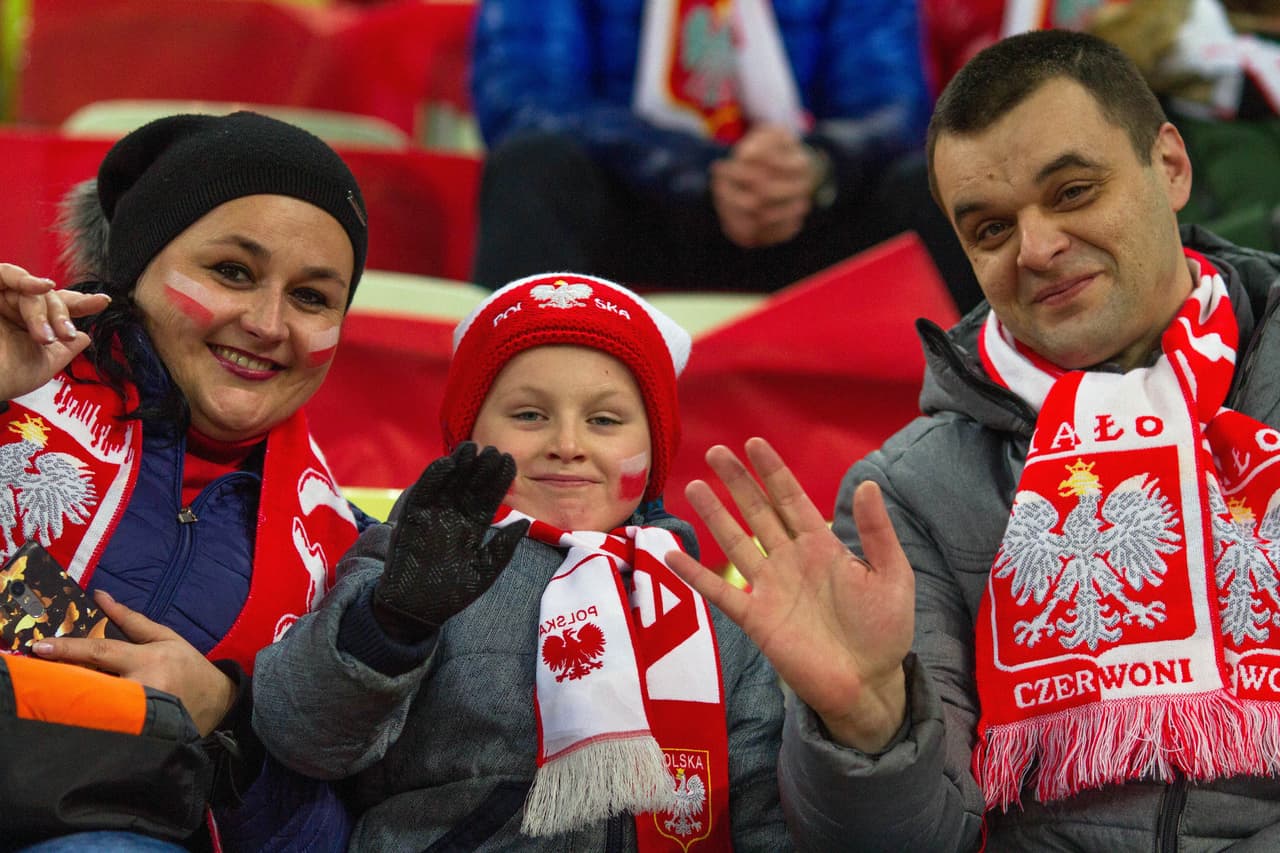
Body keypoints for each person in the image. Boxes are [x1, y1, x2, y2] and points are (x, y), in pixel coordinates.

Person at [663, 28, 1280, 850]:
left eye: (1071, 192)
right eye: (990, 229)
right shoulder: (907, 491)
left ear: (1169, 165)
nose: (1037, 249)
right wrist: (867, 727)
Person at [252, 272, 789, 850]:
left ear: (656, 448)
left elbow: (761, 815)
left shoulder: (707, 607)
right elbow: (301, 737)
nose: (567, 443)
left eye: (604, 420)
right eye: (529, 415)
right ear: (468, 438)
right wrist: (390, 626)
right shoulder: (411, 559)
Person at [1, 110, 379, 851]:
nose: (269, 323)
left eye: (311, 297)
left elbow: (329, 838)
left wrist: (229, 721)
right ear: (135, 267)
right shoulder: (12, 384)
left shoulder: (351, 559)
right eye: (232, 272)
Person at [468, 0, 982, 311]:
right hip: (640, 198)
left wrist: (814, 166)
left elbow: (895, 105)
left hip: (805, 203)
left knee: (936, 187)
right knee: (531, 169)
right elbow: (521, 96)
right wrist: (698, 170)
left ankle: (971, 429)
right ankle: (514, 433)